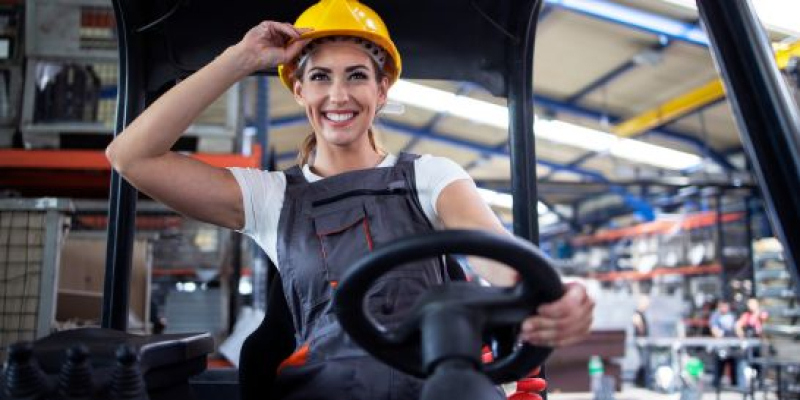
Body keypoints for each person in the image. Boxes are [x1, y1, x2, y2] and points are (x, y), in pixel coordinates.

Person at [105, 0, 595, 398]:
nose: (339, 95)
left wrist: (561, 293)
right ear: (299, 91)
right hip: (326, 388)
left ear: (382, 90)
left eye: (357, 76)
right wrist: (239, 59)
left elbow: (501, 259)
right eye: (320, 77)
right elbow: (131, 157)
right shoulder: (268, 197)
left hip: (435, 384)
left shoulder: (429, 177)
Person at [708, 301, 738, 388]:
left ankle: (735, 385)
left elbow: (736, 328)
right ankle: (716, 385)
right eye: (722, 306)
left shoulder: (732, 315)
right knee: (719, 365)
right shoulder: (715, 316)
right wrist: (724, 334)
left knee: (733, 364)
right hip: (720, 345)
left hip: (732, 345)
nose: (724, 308)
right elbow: (714, 330)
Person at [632, 295, 650, 388]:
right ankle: (639, 382)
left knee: (645, 362)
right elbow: (639, 326)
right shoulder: (637, 314)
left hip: (644, 341)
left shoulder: (641, 314)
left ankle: (642, 382)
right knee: (643, 362)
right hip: (641, 341)